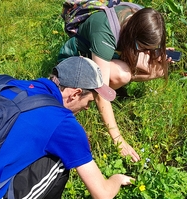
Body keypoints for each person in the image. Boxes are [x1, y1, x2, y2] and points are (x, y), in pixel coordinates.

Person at [0, 56, 134, 199]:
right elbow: (102, 195)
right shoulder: (62, 122)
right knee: (60, 158)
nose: (87, 108)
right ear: (75, 94)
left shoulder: (1, 83)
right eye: (90, 101)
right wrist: (116, 179)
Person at [58, 7, 172, 162]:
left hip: (111, 51)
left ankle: (119, 79)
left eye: (150, 49)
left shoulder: (139, 17)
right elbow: (102, 93)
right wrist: (118, 140)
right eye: (143, 49)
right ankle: (96, 93)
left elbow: (143, 52)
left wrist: (156, 56)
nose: (146, 52)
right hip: (75, 59)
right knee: (122, 75)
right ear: (133, 34)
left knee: (156, 69)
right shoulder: (104, 32)